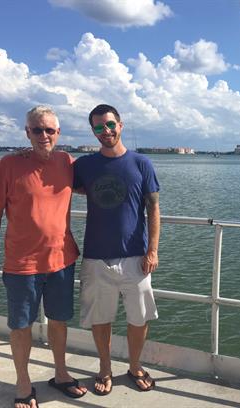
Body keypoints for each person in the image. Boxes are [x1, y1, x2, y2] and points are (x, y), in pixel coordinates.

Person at [0, 106, 87, 408]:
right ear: (27, 132)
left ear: (58, 133)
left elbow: (98, 184)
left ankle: (61, 372)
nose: (44, 136)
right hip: (21, 263)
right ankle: (23, 382)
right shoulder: (9, 164)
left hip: (61, 259)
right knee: (21, 325)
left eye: (49, 130)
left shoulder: (67, 162)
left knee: (59, 320)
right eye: (37, 130)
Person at [73, 104, 160, 396]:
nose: (105, 131)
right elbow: (56, 175)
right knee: (101, 318)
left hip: (136, 256)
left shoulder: (141, 163)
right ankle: (105, 368)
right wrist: (26, 155)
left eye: (110, 125)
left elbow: (154, 206)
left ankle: (134, 366)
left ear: (120, 125)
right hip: (96, 257)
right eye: (98, 127)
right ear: (93, 131)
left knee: (139, 317)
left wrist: (153, 250)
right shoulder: (85, 166)